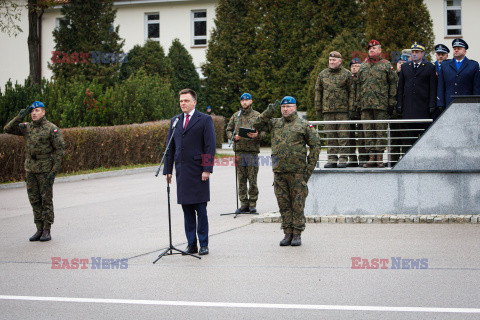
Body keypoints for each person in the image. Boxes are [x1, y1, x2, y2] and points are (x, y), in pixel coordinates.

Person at [253, 96, 320, 246]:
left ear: (295, 107)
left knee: (297, 204)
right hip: (279, 172)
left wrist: (308, 170)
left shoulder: (303, 125)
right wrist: (269, 111)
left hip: (297, 173)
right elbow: (256, 124)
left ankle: (297, 233)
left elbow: (315, 146)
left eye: (289, 106)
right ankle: (287, 232)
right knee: (283, 204)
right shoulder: (275, 123)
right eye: (283, 107)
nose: (285, 109)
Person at [163, 89, 216, 256]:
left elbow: (210, 145)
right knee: (187, 210)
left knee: (200, 210)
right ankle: (191, 244)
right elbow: (170, 147)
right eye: (181, 101)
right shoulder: (175, 121)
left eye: (186, 100)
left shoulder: (205, 120)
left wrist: (207, 169)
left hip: (199, 171)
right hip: (182, 172)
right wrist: (168, 170)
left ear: (194, 102)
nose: (183, 104)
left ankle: (204, 244)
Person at [3, 101, 65, 242]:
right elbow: (7, 129)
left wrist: (54, 171)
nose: (33, 113)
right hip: (30, 168)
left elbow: (59, 150)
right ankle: (38, 228)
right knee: (34, 200)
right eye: (32, 111)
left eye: (37, 110)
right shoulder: (27, 127)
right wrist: (19, 117)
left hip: (45, 169)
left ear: (43, 112)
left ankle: (47, 230)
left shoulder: (51, 128)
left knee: (46, 200)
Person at [356, 39, 398, 168]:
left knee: (380, 131)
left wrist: (391, 102)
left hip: (381, 105)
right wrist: (358, 103)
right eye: (370, 49)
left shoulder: (386, 65)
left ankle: (379, 157)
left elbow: (393, 84)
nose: (372, 50)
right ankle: (371, 157)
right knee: (368, 131)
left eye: (374, 48)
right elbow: (358, 85)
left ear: (380, 50)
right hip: (365, 106)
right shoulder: (363, 66)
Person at [226, 93, 266, 214]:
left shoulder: (257, 116)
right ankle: (244, 204)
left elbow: (264, 132)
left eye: (247, 100)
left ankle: (252, 204)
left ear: (251, 101)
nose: (244, 102)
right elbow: (228, 130)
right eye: (242, 100)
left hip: (252, 153)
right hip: (239, 152)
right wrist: (233, 137)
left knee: (252, 180)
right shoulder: (236, 116)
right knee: (241, 180)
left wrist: (257, 135)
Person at [315, 51, 354, 168]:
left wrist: (351, 108)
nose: (331, 62)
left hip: (343, 111)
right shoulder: (322, 74)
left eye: (334, 60)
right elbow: (318, 91)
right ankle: (331, 159)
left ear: (340, 61)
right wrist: (318, 108)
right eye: (330, 60)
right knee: (330, 136)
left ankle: (343, 158)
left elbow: (352, 92)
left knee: (343, 136)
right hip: (328, 110)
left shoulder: (347, 74)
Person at [397, 42, 438, 152]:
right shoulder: (405, 67)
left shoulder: (429, 67)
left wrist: (432, 105)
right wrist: (399, 104)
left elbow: (433, 88)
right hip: (409, 108)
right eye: (413, 52)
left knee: (423, 136)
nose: (414, 54)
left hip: (423, 108)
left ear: (422, 53)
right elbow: (400, 88)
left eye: (417, 52)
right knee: (411, 137)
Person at [437, 38, 480, 110]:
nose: (456, 50)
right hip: (449, 103)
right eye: (454, 49)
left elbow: (476, 87)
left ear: (465, 51)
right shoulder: (445, 65)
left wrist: (476, 103)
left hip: (467, 104)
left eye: (459, 48)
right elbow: (441, 86)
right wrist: (440, 103)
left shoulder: (473, 65)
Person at [350, 57, 365, 166]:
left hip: (361, 111)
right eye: (353, 66)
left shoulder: (364, 78)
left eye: (357, 66)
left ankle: (363, 158)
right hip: (349, 111)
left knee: (362, 135)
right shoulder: (347, 79)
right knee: (349, 136)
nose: (355, 68)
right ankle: (352, 159)